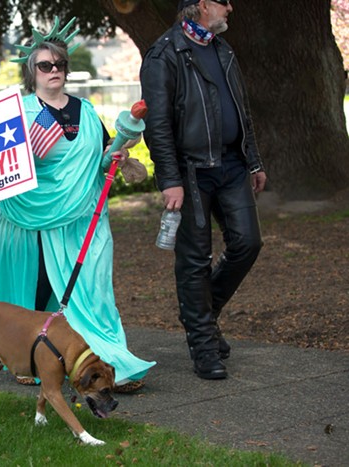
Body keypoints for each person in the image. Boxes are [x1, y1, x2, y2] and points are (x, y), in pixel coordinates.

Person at [0, 17, 155, 391]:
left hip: (81, 218)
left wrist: (120, 155)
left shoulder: (85, 111)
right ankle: (23, 357)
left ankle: (107, 360)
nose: (54, 71)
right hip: (28, 215)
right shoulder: (18, 112)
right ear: (31, 71)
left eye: (60, 65)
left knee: (94, 291)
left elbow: (99, 158)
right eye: (45, 65)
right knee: (33, 290)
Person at [139, 0, 267, 379]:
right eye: (221, 0)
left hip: (230, 165)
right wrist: (170, 179)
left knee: (248, 243)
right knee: (194, 260)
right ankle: (203, 345)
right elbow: (157, 123)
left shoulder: (221, 47)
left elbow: (241, 110)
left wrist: (254, 160)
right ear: (197, 6)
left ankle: (203, 316)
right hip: (190, 172)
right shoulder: (165, 54)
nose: (230, 6)